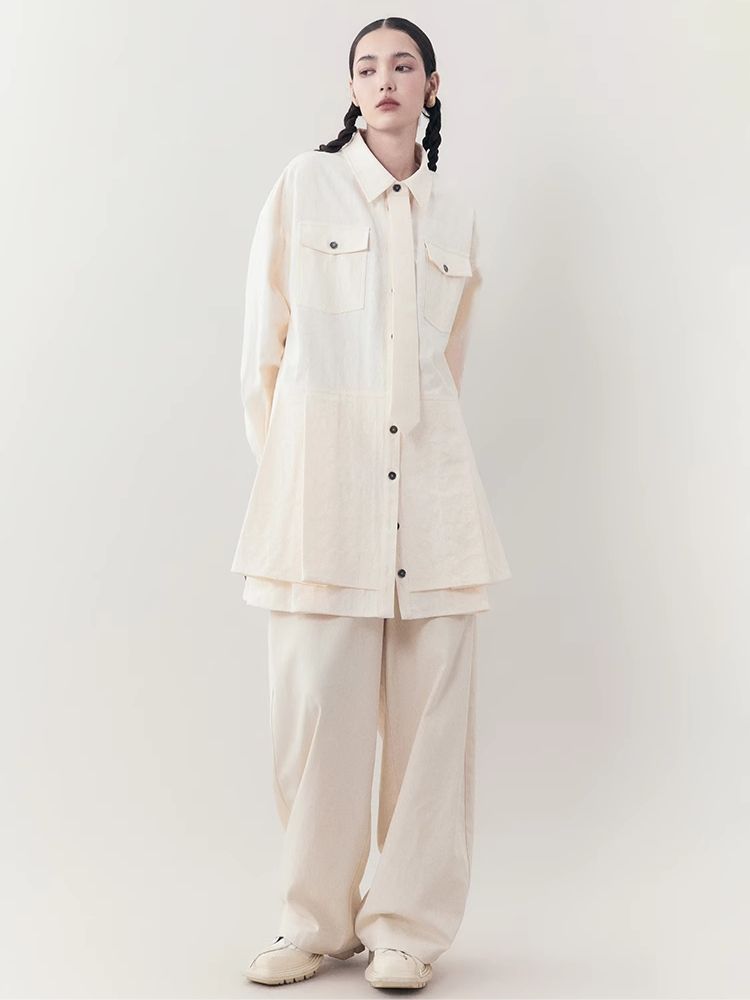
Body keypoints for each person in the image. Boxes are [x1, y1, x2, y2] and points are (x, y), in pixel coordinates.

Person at [231, 16, 512, 991]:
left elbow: (448, 368)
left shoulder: (456, 213)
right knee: (318, 722)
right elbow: (263, 355)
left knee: (433, 730)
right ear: (350, 88)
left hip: (437, 507)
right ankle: (314, 922)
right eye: (366, 66)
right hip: (322, 505)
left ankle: (407, 928)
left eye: (403, 65)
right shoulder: (304, 186)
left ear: (432, 87)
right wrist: (305, 474)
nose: (384, 79)